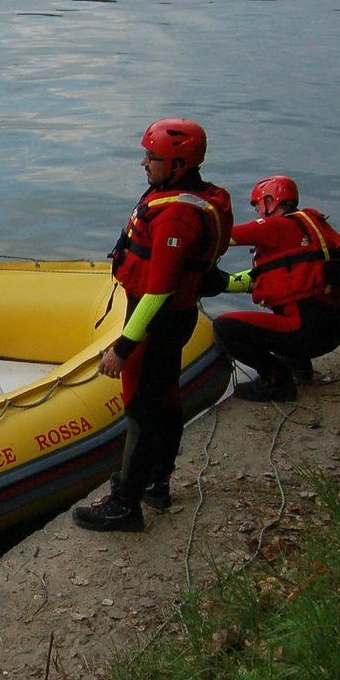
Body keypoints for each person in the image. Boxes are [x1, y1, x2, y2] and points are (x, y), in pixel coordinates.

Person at [75, 118, 233, 533]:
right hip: (174, 318)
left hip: (155, 320)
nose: (144, 163)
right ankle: (156, 482)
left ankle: (126, 504)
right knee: (164, 397)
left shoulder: (177, 216)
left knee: (144, 407)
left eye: (152, 157)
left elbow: (158, 291)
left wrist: (123, 347)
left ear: (178, 163)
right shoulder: (189, 196)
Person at [213, 175, 340, 402]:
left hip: (308, 332)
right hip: (335, 325)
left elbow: (220, 237)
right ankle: (299, 366)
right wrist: (223, 284)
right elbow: (272, 278)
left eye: (257, 205)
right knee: (293, 306)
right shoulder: (307, 225)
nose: (257, 212)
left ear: (270, 201)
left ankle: (276, 381)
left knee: (225, 327)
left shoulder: (274, 226)